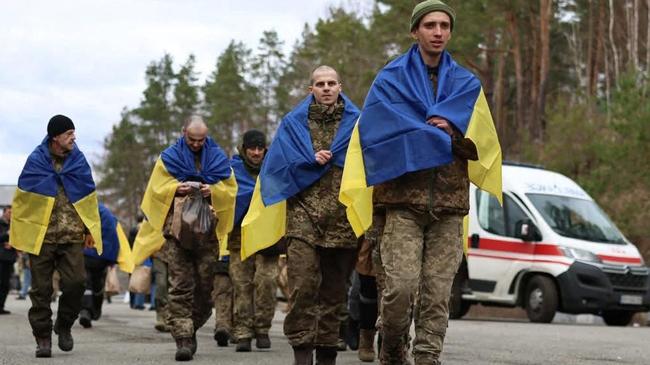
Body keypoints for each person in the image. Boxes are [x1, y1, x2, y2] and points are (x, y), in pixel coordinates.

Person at [339, 1, 503, 363]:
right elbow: (375, 136)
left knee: (436, 294)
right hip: (401, 203)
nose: (439, 32)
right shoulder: (390, 79)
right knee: (398, 290)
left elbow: (481, 145)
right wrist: (418, 132)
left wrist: (452, 130)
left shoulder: (465, 84)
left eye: (445, 25)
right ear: (415, 31)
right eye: (430, 25)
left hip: (449, 204)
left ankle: (428, 357)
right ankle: (393, 347)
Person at [242, 66, 361, 365]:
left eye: (331, 83)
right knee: (303, 286)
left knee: (334, 292)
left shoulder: (357, 122)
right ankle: (301, 351)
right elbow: (278, 166)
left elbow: (367, 160)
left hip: (342, 219)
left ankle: (327, 353)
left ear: (340, 86)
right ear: (311, 89)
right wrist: (308, 160)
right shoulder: (294, 123)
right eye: (320, 84)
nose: (326, 88)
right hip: (302, 217)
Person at [131, 115, 237, 362]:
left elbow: (230, 189)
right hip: (177, 232)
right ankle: (183, 338)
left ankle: (192, 325)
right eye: (192, 139)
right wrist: (175, 188)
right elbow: (155, 189)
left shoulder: (218, 157)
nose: (197, 144)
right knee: (179, 285)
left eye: (201, 140)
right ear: (183, 133)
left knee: (204, 286)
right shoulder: (169, 157)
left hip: (207, 233)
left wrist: (214, 190)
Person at [10, 114, 104, 358]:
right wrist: (19, 235)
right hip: (41, 237)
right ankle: (43, 338)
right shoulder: (36, 161)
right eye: (68, 134)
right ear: (55, 138)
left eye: (74, 133)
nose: (74, 138)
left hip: (71, 235)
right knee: (41, 290)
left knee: (76, 283)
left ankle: (63, 325)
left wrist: (89, 229)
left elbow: (88, 195)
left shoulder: (79, 161)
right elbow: (23, 201)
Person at [227, 129, 281, 352]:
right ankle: (242, 331)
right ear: (244, 148)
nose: (256, 153)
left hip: (267, 234)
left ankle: (263, 328)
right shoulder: (232, 170)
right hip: (239, 235)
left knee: (267, 282)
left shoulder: (274, 167)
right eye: (252, 148)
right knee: (241, 284)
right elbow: (226, 195)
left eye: (260, 148)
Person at [79, 204, 132, 328]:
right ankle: (94, 311)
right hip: (102, 256)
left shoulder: (83, 208)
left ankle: (85, 310)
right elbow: (114, 237)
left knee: (86, 283)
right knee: (98, 284)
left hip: (85, 252)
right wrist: (112, 259)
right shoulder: (107, 214)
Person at [0, 206, 16, 314]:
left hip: (9, 258)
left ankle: (1, 306)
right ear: (4, 213)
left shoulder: (14, 225)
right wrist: (7, 235)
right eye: (9, 212)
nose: (11, 214)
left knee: (5, 284)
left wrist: (12, 244)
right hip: (0, 257)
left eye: (12, 212)